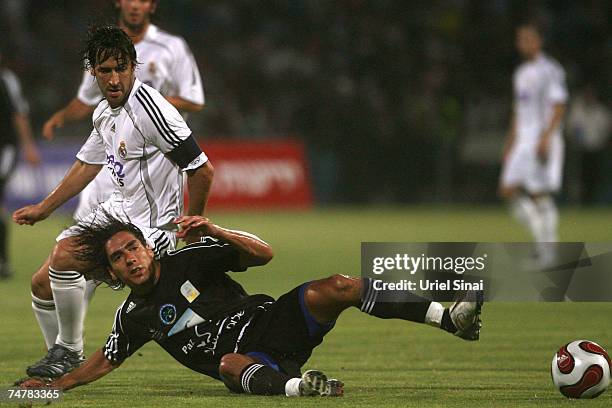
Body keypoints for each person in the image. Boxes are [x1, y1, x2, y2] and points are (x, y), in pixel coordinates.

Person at [17, 214, 483, 397]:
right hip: (248, 359)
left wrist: (217, 231)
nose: (130, 259)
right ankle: (303, 388)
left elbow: (264, 255)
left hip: (272, 323)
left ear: (147, 248)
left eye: (132, 248)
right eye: (118, 258)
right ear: (113, 274)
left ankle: (449, 317)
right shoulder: (133, 317)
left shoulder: (190, 259)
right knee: (227, 364)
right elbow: (103, 361)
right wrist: (52, 387)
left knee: (340, 285)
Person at [12, 24, 214, 379]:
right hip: (120, 215)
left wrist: (192, 227)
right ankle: (56, 362)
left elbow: (202, 170)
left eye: (122, 67)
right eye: (105, 70)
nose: (115, 78)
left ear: (134, 67)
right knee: (42, 283)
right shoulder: (105, 113)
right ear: (94, 73)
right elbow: (87, 164)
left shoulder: (151, 109)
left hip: (154, 228)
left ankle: (70, 352)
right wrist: (43, 208)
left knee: (64, 257)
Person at [43, 0, 204, 222]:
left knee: (137, 245)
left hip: (155, 159)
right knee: (80, 238)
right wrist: (61, 117)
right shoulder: (102, 49)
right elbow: (86, 100)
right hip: (114, 158)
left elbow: (194, 100)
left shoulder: (173, 47)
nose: (135, 6)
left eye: (142, 0)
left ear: (152, 6)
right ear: (119, 3)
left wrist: (146, 105)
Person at [499, 23, 568, 267]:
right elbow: (518, 112)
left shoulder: (549, 70)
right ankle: (543, 242)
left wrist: (546, 138)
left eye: (528, 39)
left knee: (539, 193)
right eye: (520, 39)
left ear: (539, 42)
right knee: (507, 190)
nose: (523, 44)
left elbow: (559, 106)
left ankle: (547, 251)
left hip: (540, 138)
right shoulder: (520, 74)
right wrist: (509, 143)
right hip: (522, 140)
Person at [0, 49, 41, 279]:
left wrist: (28, 146)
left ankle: (3, 262)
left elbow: (19, 114)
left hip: (4, 148)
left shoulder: (6, 80)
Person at [567, 83, 611, 204]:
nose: (589, 97)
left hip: (597, 149)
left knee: (596, 177)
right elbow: (570, 129)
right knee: (580, 178)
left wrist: (604, 142)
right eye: (587, 95)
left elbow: (607, 130)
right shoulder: (577, 111)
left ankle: (593, 201)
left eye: (591, 95)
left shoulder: (601, 111)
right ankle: (580, 201)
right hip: (581, 151)